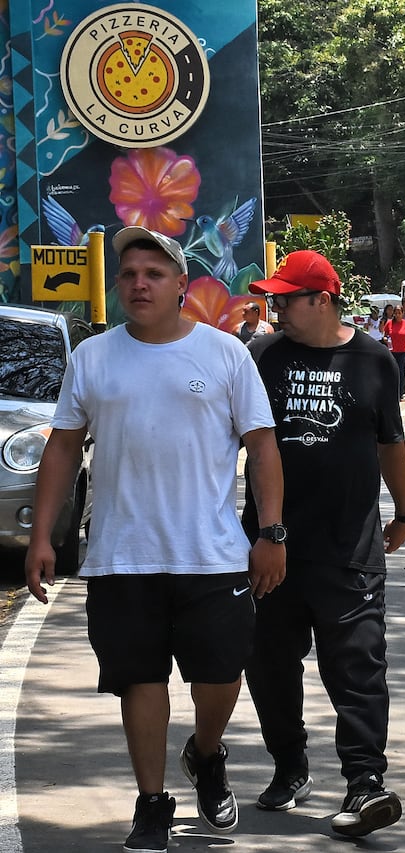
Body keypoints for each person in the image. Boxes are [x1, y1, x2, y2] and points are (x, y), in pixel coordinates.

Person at [23, 226, 286, 853]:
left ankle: (206, 753)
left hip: (213, 552)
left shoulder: (226, 354)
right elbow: (62, 446)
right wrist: (42, 536)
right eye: (130, 275)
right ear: (119, 286)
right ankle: (151, 803)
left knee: (220, 679)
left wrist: (271, 531)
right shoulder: (93, 357)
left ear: (180, 286)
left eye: (155, 274)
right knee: (140, 681)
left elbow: (263, 445)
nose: (139, 284)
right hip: (121, 554)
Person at [243, 249, 405, 838]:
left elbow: (390, 441)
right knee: (268, 669)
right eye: (274, 299)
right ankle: (290, 763)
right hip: (270, 548)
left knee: (358, 669)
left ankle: (366, 783)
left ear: (322, 300)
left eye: (286, 299)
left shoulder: (374, 360)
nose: (277, 309)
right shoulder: (261, 356)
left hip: (350, 548)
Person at [383, 304, 405, 400]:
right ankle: (393, 391)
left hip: (403, 351)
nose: (397, 315)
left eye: (399, 313)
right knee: (393, 372)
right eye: (396, 313)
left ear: (403, 314)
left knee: (401, 371)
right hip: (392, 351)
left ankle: (401, 392)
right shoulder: (389, 324)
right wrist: (385, 339)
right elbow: (385, 335)